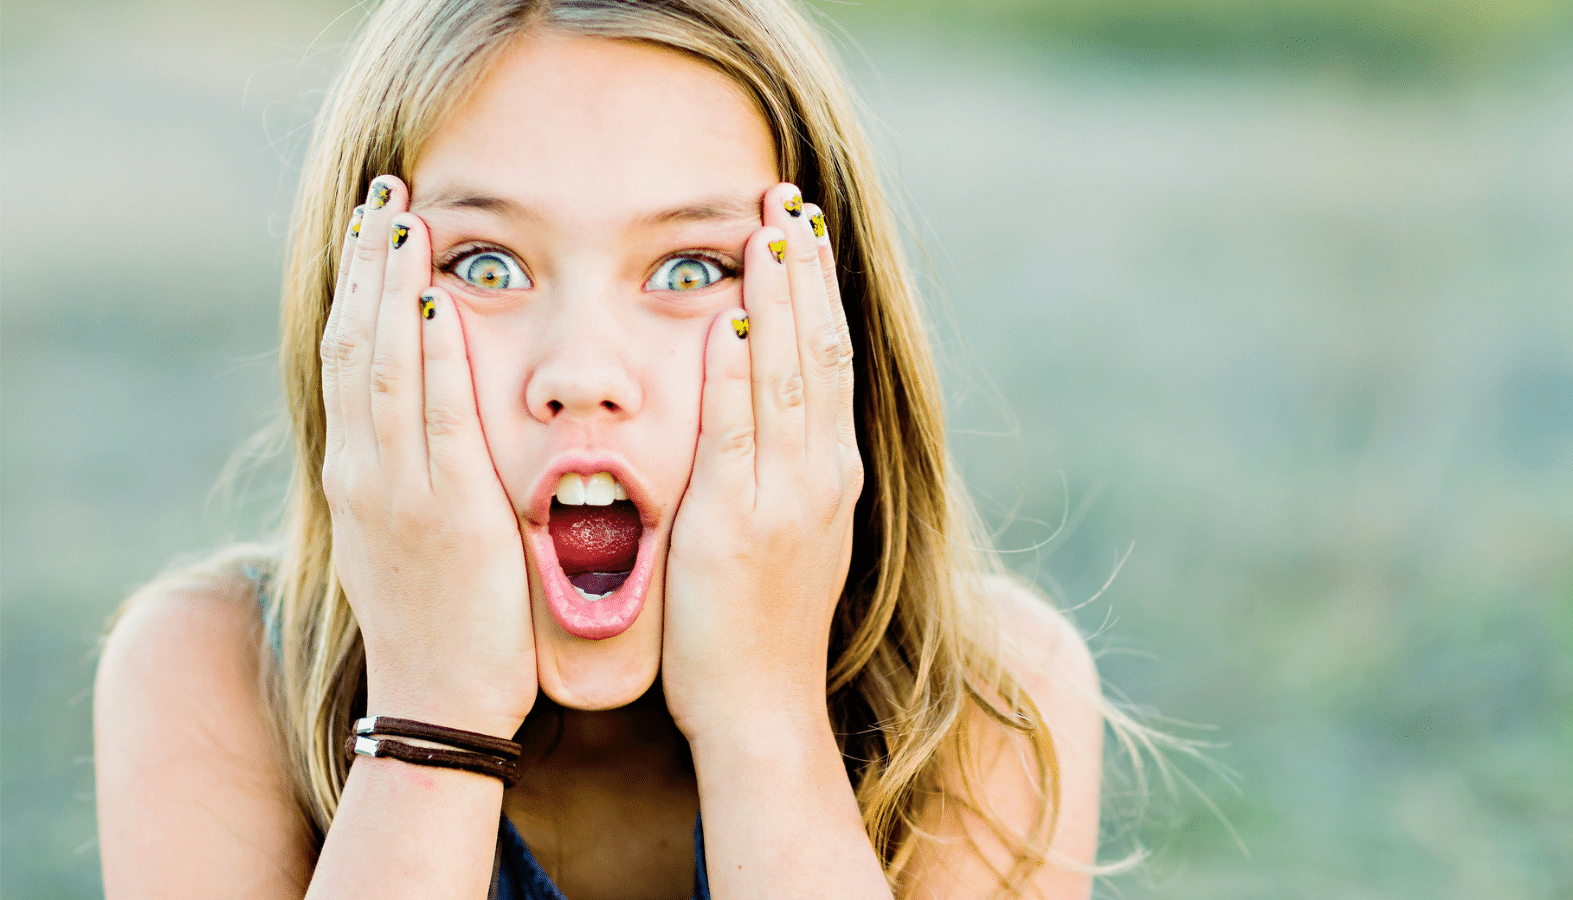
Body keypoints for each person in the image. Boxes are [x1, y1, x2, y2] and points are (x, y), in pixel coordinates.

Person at [93, 1, 1105, 897]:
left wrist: (763, 721)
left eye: (691, 266)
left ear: (832, 325)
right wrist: (435, 716)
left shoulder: (988, 701)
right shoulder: (208, 673)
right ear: (354, 312)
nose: (581, 371)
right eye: (485, 264)